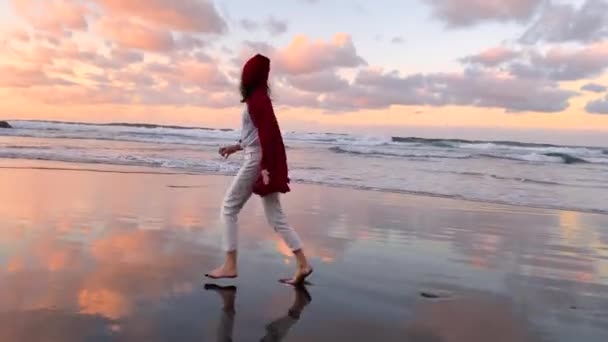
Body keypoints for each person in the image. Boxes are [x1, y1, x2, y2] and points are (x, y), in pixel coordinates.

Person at [205, 54, 313, 285]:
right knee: (276, 216)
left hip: (257, 161)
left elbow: (268, 136)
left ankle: (230, 265)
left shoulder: (257, 100)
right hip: (259, 158)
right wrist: (236, 146)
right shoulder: (259, 98)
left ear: (249, 76)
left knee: (229, 207)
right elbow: (257, 134)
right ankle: (303, 264)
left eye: (245, 73)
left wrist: (265, 168)